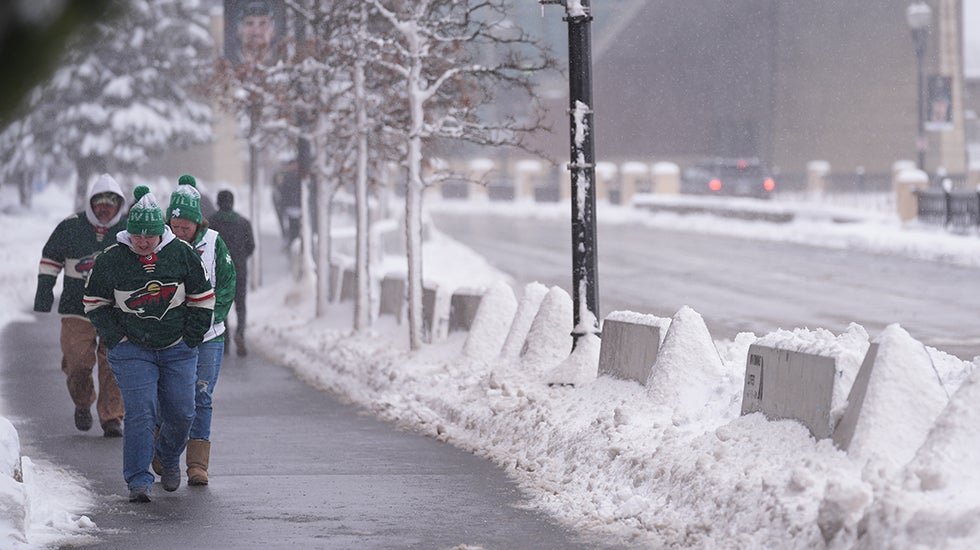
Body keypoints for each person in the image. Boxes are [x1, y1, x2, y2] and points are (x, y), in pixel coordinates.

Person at [84, 186, 214, 503]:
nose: (142, 242)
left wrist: (191, 337)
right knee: (141, 411)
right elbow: (93, 302)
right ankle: (138, 480)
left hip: (177, 348)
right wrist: (117, 338)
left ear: (161, 232)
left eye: (150, 237)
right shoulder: (112, 260)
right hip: (132, 349)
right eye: (137, 236)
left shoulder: (182, 254)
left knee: (183, 413)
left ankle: (167, 457)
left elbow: (203, 299)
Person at [34, 173, 127, 437]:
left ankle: (111, 416)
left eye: (112, 201)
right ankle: (82, 402)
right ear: (91, 202)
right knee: (77, 362)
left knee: (114, 363)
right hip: (77, 307)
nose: (105, 206)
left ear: (120, 204)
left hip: (115, 310)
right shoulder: (71, 227)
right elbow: (50, 259)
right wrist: (44, 293)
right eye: (100, 200)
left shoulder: (128, 231)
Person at [164, 175, 236, 485]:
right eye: (175, 226)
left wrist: (211, 316)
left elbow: (228, 283)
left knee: (201, 395)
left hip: (209, 334)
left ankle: (197, 464)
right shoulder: (160, 242)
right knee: (170, 397)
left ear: (198, 224)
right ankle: (164, 450)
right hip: (171, 335)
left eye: (186, 228)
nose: (180, 233)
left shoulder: (214, 242)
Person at [208, 189, 255, 357]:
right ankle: (240, 333)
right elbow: (251, 247)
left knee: (223, 305)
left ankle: (225, 339)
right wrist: (240, 258)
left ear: (218, 202)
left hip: (220, 270)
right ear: (233, 202)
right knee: (240, 305)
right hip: (239, 269)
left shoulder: (211, 223)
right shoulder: (243, 222)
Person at [228, 0, 279, 67]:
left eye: (263, 23)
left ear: (273, 31)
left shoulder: (285, 68)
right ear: (239, 30)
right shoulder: (227, 68)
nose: (257, 31)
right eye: (249, 23)